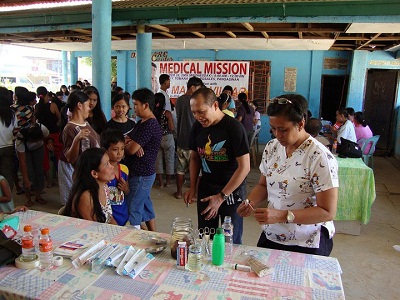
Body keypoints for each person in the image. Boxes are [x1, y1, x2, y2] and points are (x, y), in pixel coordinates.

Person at [237, 94, 338, 256]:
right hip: (274, 233)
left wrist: (282, 215)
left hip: (307, 240)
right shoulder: (272, 148)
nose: (277, 134)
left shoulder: (319, 157)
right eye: (273, 128)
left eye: (283, 129)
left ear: (300, 124)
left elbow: (327, 211)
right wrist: (251, 202)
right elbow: (264, 184)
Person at [184, 88, 250, 244]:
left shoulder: (234, 128)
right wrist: (193, 187)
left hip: (231, 192)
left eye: (201, 112)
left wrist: (221, 197)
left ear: (214, 105)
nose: (197, 117)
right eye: (194, 113)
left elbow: (244, 167)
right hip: (207, 189)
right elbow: (194, 158)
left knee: (230, 241)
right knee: (206, 238)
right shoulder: (197, 127)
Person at [124, 88, 162, 231]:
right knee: (145, 206)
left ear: (145, 105)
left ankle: (135, 238)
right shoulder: (142, 123)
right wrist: (131, 142)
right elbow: (127, 138)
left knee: (133, 207)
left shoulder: (150, 125)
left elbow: (130, 149)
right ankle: (154, 235)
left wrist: (131, 144)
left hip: (142, 174)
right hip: (141, 172)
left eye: (135, 104)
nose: (134, 108)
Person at [58, 91, 100, 205]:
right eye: (87, 105)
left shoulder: (86, 123)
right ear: (79, 106)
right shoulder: (70, 128)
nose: (89, 109)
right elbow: (70, 158)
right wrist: (76, 140)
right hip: (82, 174)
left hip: (91, 172)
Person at [64, 148, 117, 224]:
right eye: (107, 164)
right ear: (94, 173)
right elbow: (92, 228)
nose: (112, 167)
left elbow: (109, 218)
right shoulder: (86, 197)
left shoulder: (105, 188)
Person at [174, 76, 204, 199]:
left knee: (180, 169)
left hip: (181, 139)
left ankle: (179, 192)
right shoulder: (195, 100)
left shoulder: (179, 100)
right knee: (196, 169)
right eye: (198, 88)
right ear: (192, 87)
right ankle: (195, 193)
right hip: (194, 141)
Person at [15, 122, 49, 207]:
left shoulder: (43, 128)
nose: (35, 142)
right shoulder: (20, 138)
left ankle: (38, 196)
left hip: (39, 148)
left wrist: (49, 143)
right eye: (34, 141)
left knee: (39, 170)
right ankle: (28, 197)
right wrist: (26, 180)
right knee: (29, 173)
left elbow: (48, 137)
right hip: (25, 150)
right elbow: (23, 163)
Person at [100, 129, 130, 226]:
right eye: (115, 149)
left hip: (123, 216)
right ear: (105, 150)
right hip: (109, 219)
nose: (119, 153)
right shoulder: (102, 172)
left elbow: (127, 192)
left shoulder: (124, 169)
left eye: (122, 149)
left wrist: (126, 189)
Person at [35, 86, 61, 188]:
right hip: (54, 134)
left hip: (42, 135)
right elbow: (59, 118)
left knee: (44, 159)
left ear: (38, 96)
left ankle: (48, 181)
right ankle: (60, 178)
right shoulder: (53, 105)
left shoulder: (37, 107)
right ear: (47, 95)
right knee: (59, 157)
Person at [154, 92, 175, 188]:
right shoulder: (167, 113)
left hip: (157, 138)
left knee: (158, 161)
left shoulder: (152, 114)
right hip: (167, 138)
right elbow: (171, 127)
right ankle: (168, 182)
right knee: (169, 160)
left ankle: (161, 183)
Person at [0, 87, 18, 193]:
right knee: (7, 174)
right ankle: (8, 198)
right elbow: (15, 129)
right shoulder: (11, 113)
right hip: (8, 146)